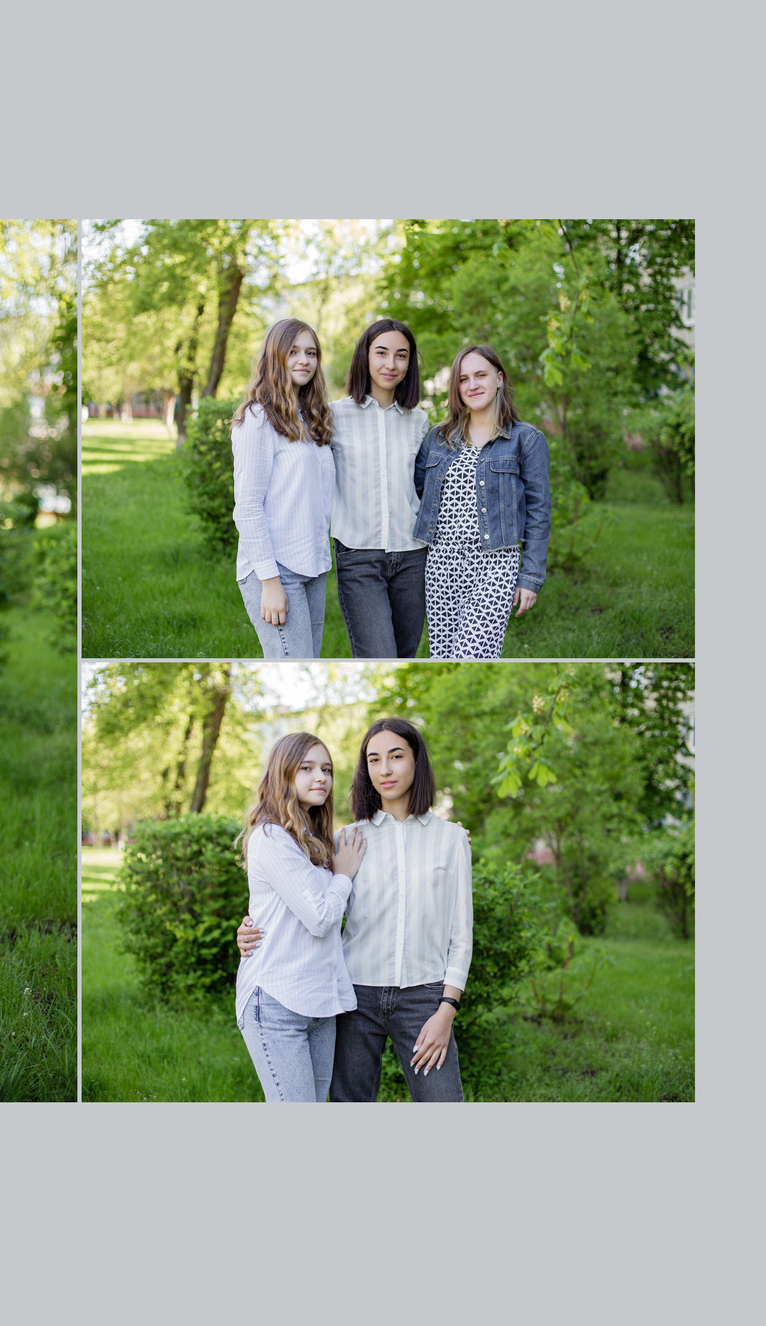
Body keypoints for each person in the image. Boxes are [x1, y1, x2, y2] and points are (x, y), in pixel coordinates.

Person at [240, 718, 472, 1101]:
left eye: (396, 757)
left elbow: (461, 935)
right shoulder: (344, 841)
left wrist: (447, 1007)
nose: (385, 769)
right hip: (354, 998)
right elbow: (298, 900)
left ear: (417, 762)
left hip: (424, 999)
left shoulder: (451, 839)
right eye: (374, 759)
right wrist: (249, 927)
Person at [232, 732, 367, 1103]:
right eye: (306, 768)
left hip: (320, 1003)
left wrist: (451, 836)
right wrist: (343, 875)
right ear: (283, 773)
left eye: (326, 769)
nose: (320, 777)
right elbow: (321, 918)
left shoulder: (314, 839)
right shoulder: (271, 837)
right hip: (277, 1001)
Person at [413, 344, 551, 659]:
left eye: (481, 375)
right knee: (443, 655)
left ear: (499, 378)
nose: (472, 385)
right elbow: (421, 490)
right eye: (463, 379)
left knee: (472, 653)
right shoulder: (438, 437)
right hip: (441, 563)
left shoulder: (525, 440)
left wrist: (530, 577)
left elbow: (539, 513)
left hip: (495, 563)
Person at [229, 319, 337, 658]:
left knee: (309, 660)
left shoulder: (311, 417)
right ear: (275, 356)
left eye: (311, 352)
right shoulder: (258, 419)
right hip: (275, 568)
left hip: (313, 564)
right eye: (293, 352)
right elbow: (247, 506)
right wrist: (270, 582)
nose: (304, 360)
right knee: (293, 661)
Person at [328, 318, 431, 657]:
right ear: (365, 356)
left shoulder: (419, 420)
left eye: (401, 356)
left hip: (413, 555)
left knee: (405, 655)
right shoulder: (334, 416)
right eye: (382, 353)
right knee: (379, 654)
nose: (391, 364)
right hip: (359, 555)